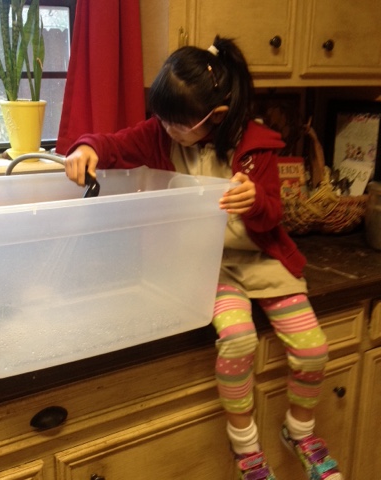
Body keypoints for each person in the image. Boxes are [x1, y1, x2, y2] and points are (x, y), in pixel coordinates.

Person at [62, 35, 343, 480]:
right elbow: (112, 144)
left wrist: (255, 201)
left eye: (176, 123)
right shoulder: (160, 135)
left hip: (260, 261)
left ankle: (300, 430)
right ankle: (246, 449)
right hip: (204, 267)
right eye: (161, 118)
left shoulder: (258, 148)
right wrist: (85, 148)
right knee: (239, 339)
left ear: (216, 116)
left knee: (314, 349)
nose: (165, 128)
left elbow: (273, 216)